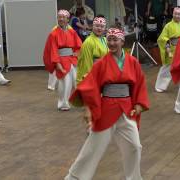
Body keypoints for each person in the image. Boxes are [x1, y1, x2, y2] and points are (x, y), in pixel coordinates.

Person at [65, 28, 149, 180]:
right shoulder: (101, 63)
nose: (111, 43)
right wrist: (88, 109)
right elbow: (89, 86)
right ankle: (74, 177)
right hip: (106, 110)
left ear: (122, 41)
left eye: (115, 40)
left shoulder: (133, 62)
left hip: (126, 109)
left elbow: (140, 84)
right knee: (92, 148)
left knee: (135, 146)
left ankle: (134, 178)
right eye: (109, 39)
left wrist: (139, 104)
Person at [43, 9, 82, 111]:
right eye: (59, 17)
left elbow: (78, 45)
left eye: (63, 17)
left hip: (72, 59)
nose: (61, 19)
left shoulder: (72, 32)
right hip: (61, 60)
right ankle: (63, 104)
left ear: (68, 19)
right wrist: (57, 63)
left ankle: (81, 101)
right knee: (65, 82)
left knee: (76, 81)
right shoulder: (53, 34)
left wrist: (76, 53)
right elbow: (52, 49)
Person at [155, 7, 180, 92]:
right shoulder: (168, 26)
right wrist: (168, 48)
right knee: (167, 68)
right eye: (175, 13)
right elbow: (162, 38)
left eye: (179, 14)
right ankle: (160, 86)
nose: (177, 15)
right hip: (171, 48)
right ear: (173, 14)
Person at [76, 16, 108, 84]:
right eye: (97, 26)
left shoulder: (105, 40)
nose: (99, 28)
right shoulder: (88, 42)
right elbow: (86, 63)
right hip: (93, 75)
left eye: (102, 26)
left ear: (105, 28)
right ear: (92, 26)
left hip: (103, 73)